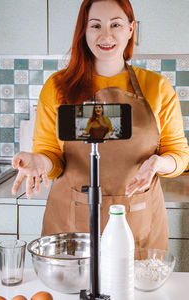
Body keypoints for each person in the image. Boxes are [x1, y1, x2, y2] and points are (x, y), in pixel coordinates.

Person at [12, 0, 189, 250]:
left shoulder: (157, 87)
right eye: (95, 26)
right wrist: (41, 161)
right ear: (83, 32)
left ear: (130, 29)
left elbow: (179, 154)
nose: (106, 35)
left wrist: (159, 163)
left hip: (137, 220)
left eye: (115, 24)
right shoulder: (57, 86)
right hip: (72, 222)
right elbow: (50, 152)